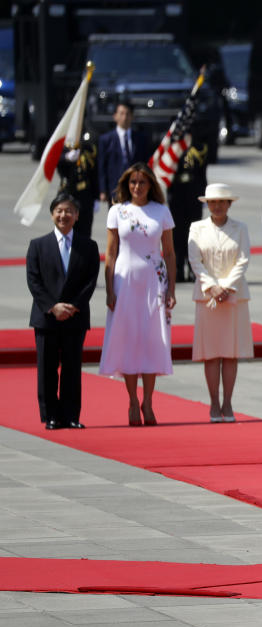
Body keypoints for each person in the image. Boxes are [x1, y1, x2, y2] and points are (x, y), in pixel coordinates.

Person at [99, 163, 176, 426]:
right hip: (125, 280)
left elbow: (170, 253)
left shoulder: (161, 211)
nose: (137, 187)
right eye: (133, 182)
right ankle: (132, 399)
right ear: (126, 184)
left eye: (142, 182)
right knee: (130, 339)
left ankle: (149, 402)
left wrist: (172, 290)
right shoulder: (117, 212)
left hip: (154, 281)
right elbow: (110, 254)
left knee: (151, 340)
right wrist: (109, 290)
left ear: (150, 185)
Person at [26, 193, 100, 430]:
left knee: (72, 368)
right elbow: (34, 282)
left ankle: (70, 415)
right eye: (59, 210)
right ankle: (50, 416)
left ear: (77, 216)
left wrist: (73, 306)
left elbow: (90, 281)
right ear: (52, 214)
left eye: (69, 211)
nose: (63, 215)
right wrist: (53, 307)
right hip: (46, 317)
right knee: (47, 369)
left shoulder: (88, 246)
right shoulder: (38, 245)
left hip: (75, 317)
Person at [187, 183, 253, 423]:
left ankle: (228, 402)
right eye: (212, 202)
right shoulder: (197, 227)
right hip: (207, 297)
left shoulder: (240, 228)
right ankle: (214, 402)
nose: (216, 206)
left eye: (221, 202)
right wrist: (212, 287)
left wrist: (226, 287)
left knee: (231, 352)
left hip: (234, 295)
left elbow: (243, 259)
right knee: (212, 353)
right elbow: (195, 260)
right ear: (207, 204)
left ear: (229, 204)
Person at [168, 141, 209, 283]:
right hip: (177, 195)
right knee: (177, 234)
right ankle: (178, 269)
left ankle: (193, 269)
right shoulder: (172, 147)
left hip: (194, 195)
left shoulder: (199, 147)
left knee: (194, 234)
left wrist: (205, 194)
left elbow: (202, 173)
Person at [98, 101, 151, 204]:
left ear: (132, 117)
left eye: (128, 114)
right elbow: (102, 166)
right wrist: (103, 190)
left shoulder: (141, 139)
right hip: (115, 188)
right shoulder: (106, 140)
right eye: (121, 113)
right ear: (115, 116)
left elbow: (146, 163)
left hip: (137, 189)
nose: (125, 117)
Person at [56, 140, 99, 239]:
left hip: (85, 197)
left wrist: (96, 197)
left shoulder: (88, 148)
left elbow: (94, 173)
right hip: (67, 194)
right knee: (65, 233)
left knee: (84, 233)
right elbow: (51, 159)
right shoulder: (61, 146)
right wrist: (66, 157)